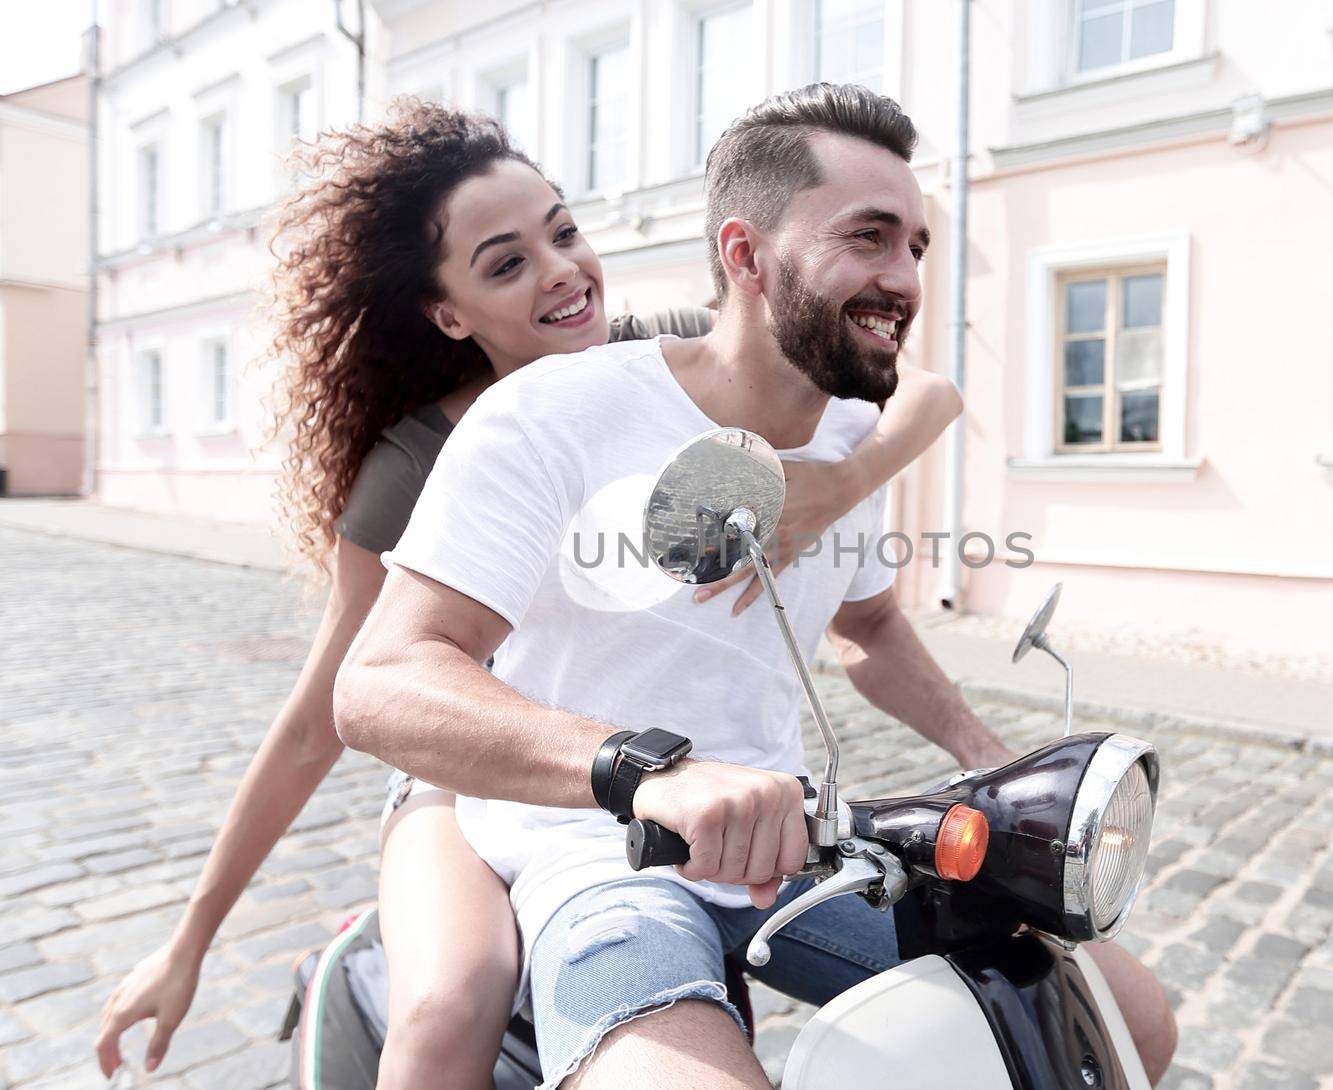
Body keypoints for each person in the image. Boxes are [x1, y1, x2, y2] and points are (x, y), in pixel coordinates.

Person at [92, 99, 964, 1085]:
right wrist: (190, 939)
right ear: (449, 314)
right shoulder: (420, 456)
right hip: (470, 765)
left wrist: (836, 484)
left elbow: (918, 392)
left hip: (675, 778)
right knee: (452, 994)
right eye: (506, 262)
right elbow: (331, 710)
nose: (559, 271)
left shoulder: (668, 351)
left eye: (564, 231)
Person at [334, 83, 1176, 1090]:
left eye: (914, 245)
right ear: (744, 255)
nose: (903, 277)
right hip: (606, 851)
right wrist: (649, 772)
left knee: (1126, 1024)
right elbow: (379, 680)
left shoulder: (848, 439)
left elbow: (866, 627)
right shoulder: (552, 412)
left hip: (797, 845)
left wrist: (983, 752)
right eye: (866, 238)